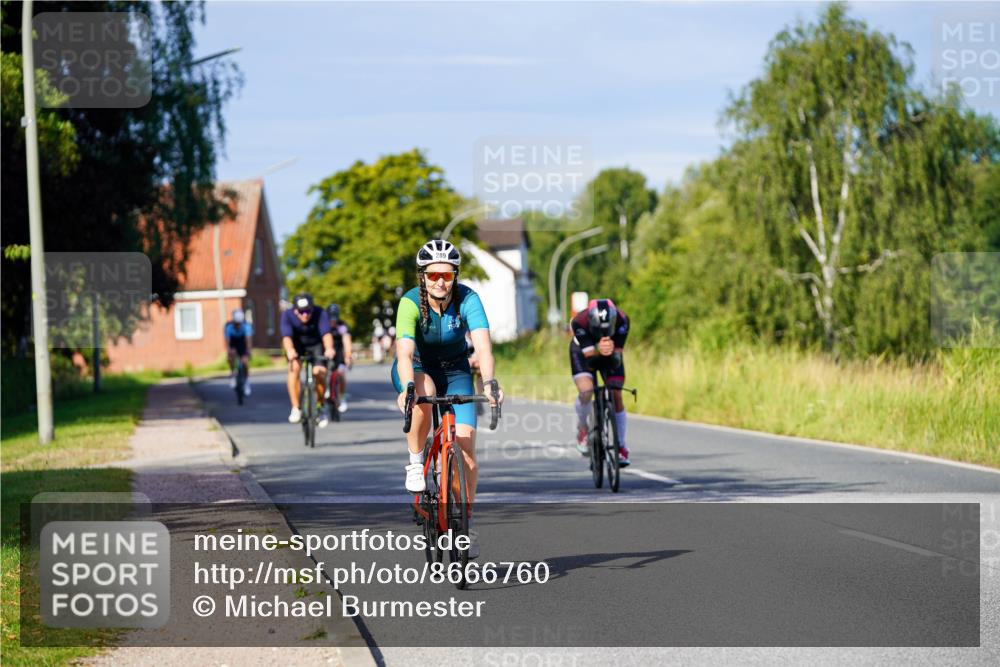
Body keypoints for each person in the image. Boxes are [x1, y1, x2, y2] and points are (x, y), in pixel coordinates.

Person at [391, 239, 504, 558]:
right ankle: (415, 462)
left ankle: (465, 523)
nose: (440, 281)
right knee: (423, 393)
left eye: (448, 274)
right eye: (433, 275)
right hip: (418, 368)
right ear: (422, 276)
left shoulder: (468, 298)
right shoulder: (411, 302)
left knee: (466, 451)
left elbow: (483, 347)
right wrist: (406, 387)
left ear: (455, 275)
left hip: (456, 370)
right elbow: (404, 352)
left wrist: (490, 382)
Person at [570, 298, 631, 466]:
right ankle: (583, 428)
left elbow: (617, 353)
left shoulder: (623, 320)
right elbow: (591, 358)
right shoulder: (579, 322)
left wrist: (611, 350)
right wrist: (599, 349)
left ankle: (621, 445)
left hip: (609, 352)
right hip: (583, 352)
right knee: (586, 391)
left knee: (616, 392)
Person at [280, 293, 336, 427]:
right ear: (295, 311)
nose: (305, 314)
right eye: (301, 312)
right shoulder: (287, 315)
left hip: (316, 344)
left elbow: (327, 334)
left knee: (319, 372)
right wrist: (290, 351)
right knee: (294, 368)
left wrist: (329, 348)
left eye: (308, 311)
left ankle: (320, 406)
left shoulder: (320, 313)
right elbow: (287, 337)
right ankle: (296, 408)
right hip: (297, 345)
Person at [326, 304, 354, 412]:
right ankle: (326, 390)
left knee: (341, 373)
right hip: (326, 352)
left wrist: (348, 356)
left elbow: (347, 342)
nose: (332, 322)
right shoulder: (323, 325)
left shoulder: (342, 326)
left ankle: (342, 396)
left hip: (338, 353)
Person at [225, 309, 253, 396]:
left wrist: (248, 351)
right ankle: (233, 373)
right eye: (236, 324)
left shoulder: (246, 326)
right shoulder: (229, 327)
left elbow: (248, 340)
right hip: (233, 342)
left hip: (242, 343)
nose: (238, 326)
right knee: (231, 355)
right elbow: (227, 341)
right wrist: (229, 351)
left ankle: (246, 382)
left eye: (239, 324)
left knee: (245, 362)